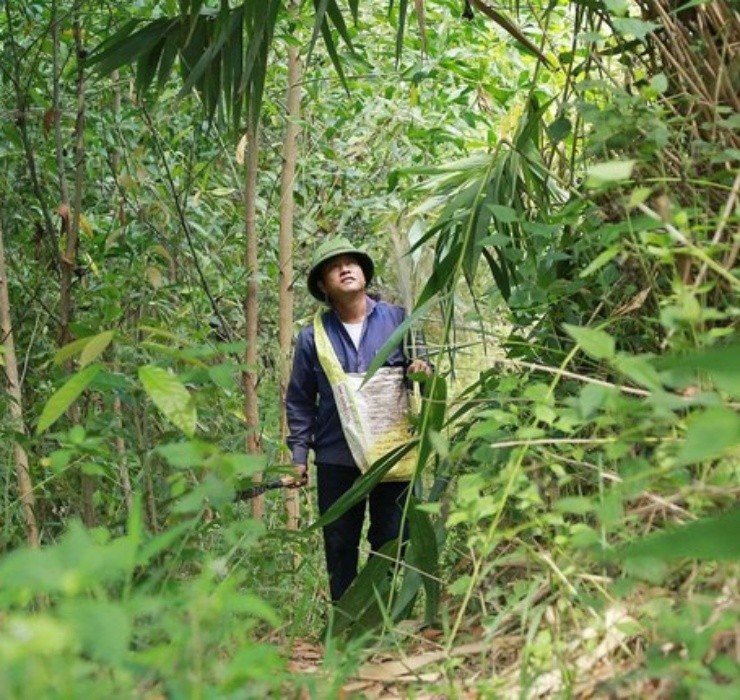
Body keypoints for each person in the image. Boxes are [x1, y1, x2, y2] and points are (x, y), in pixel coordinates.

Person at [285, 236, 431, 602]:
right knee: (339, 542)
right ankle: (345, 622)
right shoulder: (310, 339)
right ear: (323, 285)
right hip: (337, 457)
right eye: (335, 266)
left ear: (364, 272)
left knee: (394, 536)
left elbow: (429, 376)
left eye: (351, 262)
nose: (345, 269)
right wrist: (298, 458)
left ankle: (381, 612)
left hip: (393, 454)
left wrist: (423, 371)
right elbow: (301, 401)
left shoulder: (400, 320)